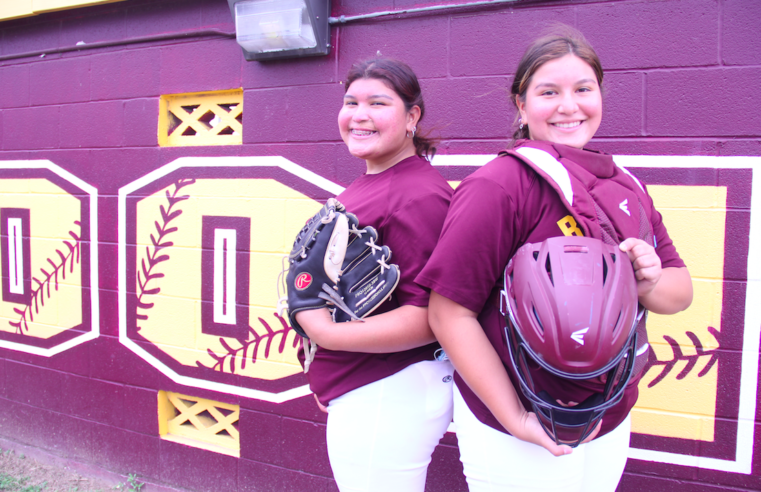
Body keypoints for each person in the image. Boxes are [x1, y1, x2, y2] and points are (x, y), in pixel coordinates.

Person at [416, 27, 693, 492]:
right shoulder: (498, 185)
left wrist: (647, 280)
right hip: (517, 423)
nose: (569, 106)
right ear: (521, 106)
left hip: (609, 410)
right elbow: (448, 314)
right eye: (549, 92)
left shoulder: (625, 184)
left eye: (583, 89)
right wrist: (516, 418)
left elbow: (678, 294)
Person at [294, 57, 454, 492]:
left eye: (378, 103)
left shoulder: (418, 193)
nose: (359, 115)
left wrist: (326, 336)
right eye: (351, 102)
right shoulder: (375, 181)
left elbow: (435, 316)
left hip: (390, 386)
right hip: (372, 383)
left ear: (412, 117)